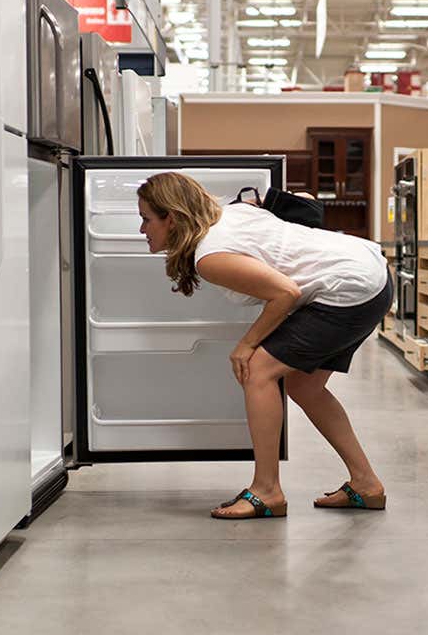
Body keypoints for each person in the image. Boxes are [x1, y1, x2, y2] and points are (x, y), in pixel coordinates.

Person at [136, 172, 393, 519]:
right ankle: (366, 484)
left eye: (146, 219)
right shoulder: (230, 214)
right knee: (305, 385)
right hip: (369, 273)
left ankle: (267, 491)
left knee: (257, 370)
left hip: (350, 288)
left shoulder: (210, 255)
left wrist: (247, 345)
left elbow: (285, 293)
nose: (142, 230)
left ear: (172, 217)